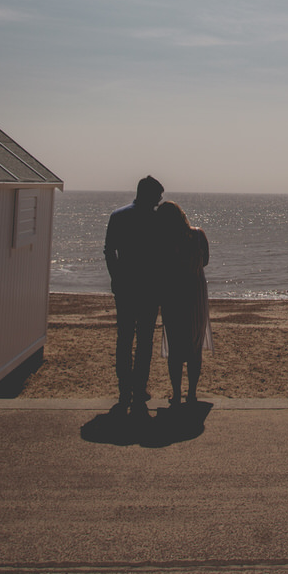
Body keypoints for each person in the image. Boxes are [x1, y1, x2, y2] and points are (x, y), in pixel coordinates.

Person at [102, 176, 166, 414]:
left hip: (125, 287)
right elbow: (163, 254)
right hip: (149, 288)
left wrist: (116, 276)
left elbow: (109, 250)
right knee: (144, 341)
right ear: (149, 195)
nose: (160, 201)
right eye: (158, 196)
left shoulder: (119, 216)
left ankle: (124, 389)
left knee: (125, 338)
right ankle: (138, 389)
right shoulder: (156, 220)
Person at [157, 200, 212, 407]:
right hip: (195, 293)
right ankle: (192, 393)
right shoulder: (198, 235)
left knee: (175, 346)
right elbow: (206, 260)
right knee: (194, 345)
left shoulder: (164, 241)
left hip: (173, 294)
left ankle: (177, 393)